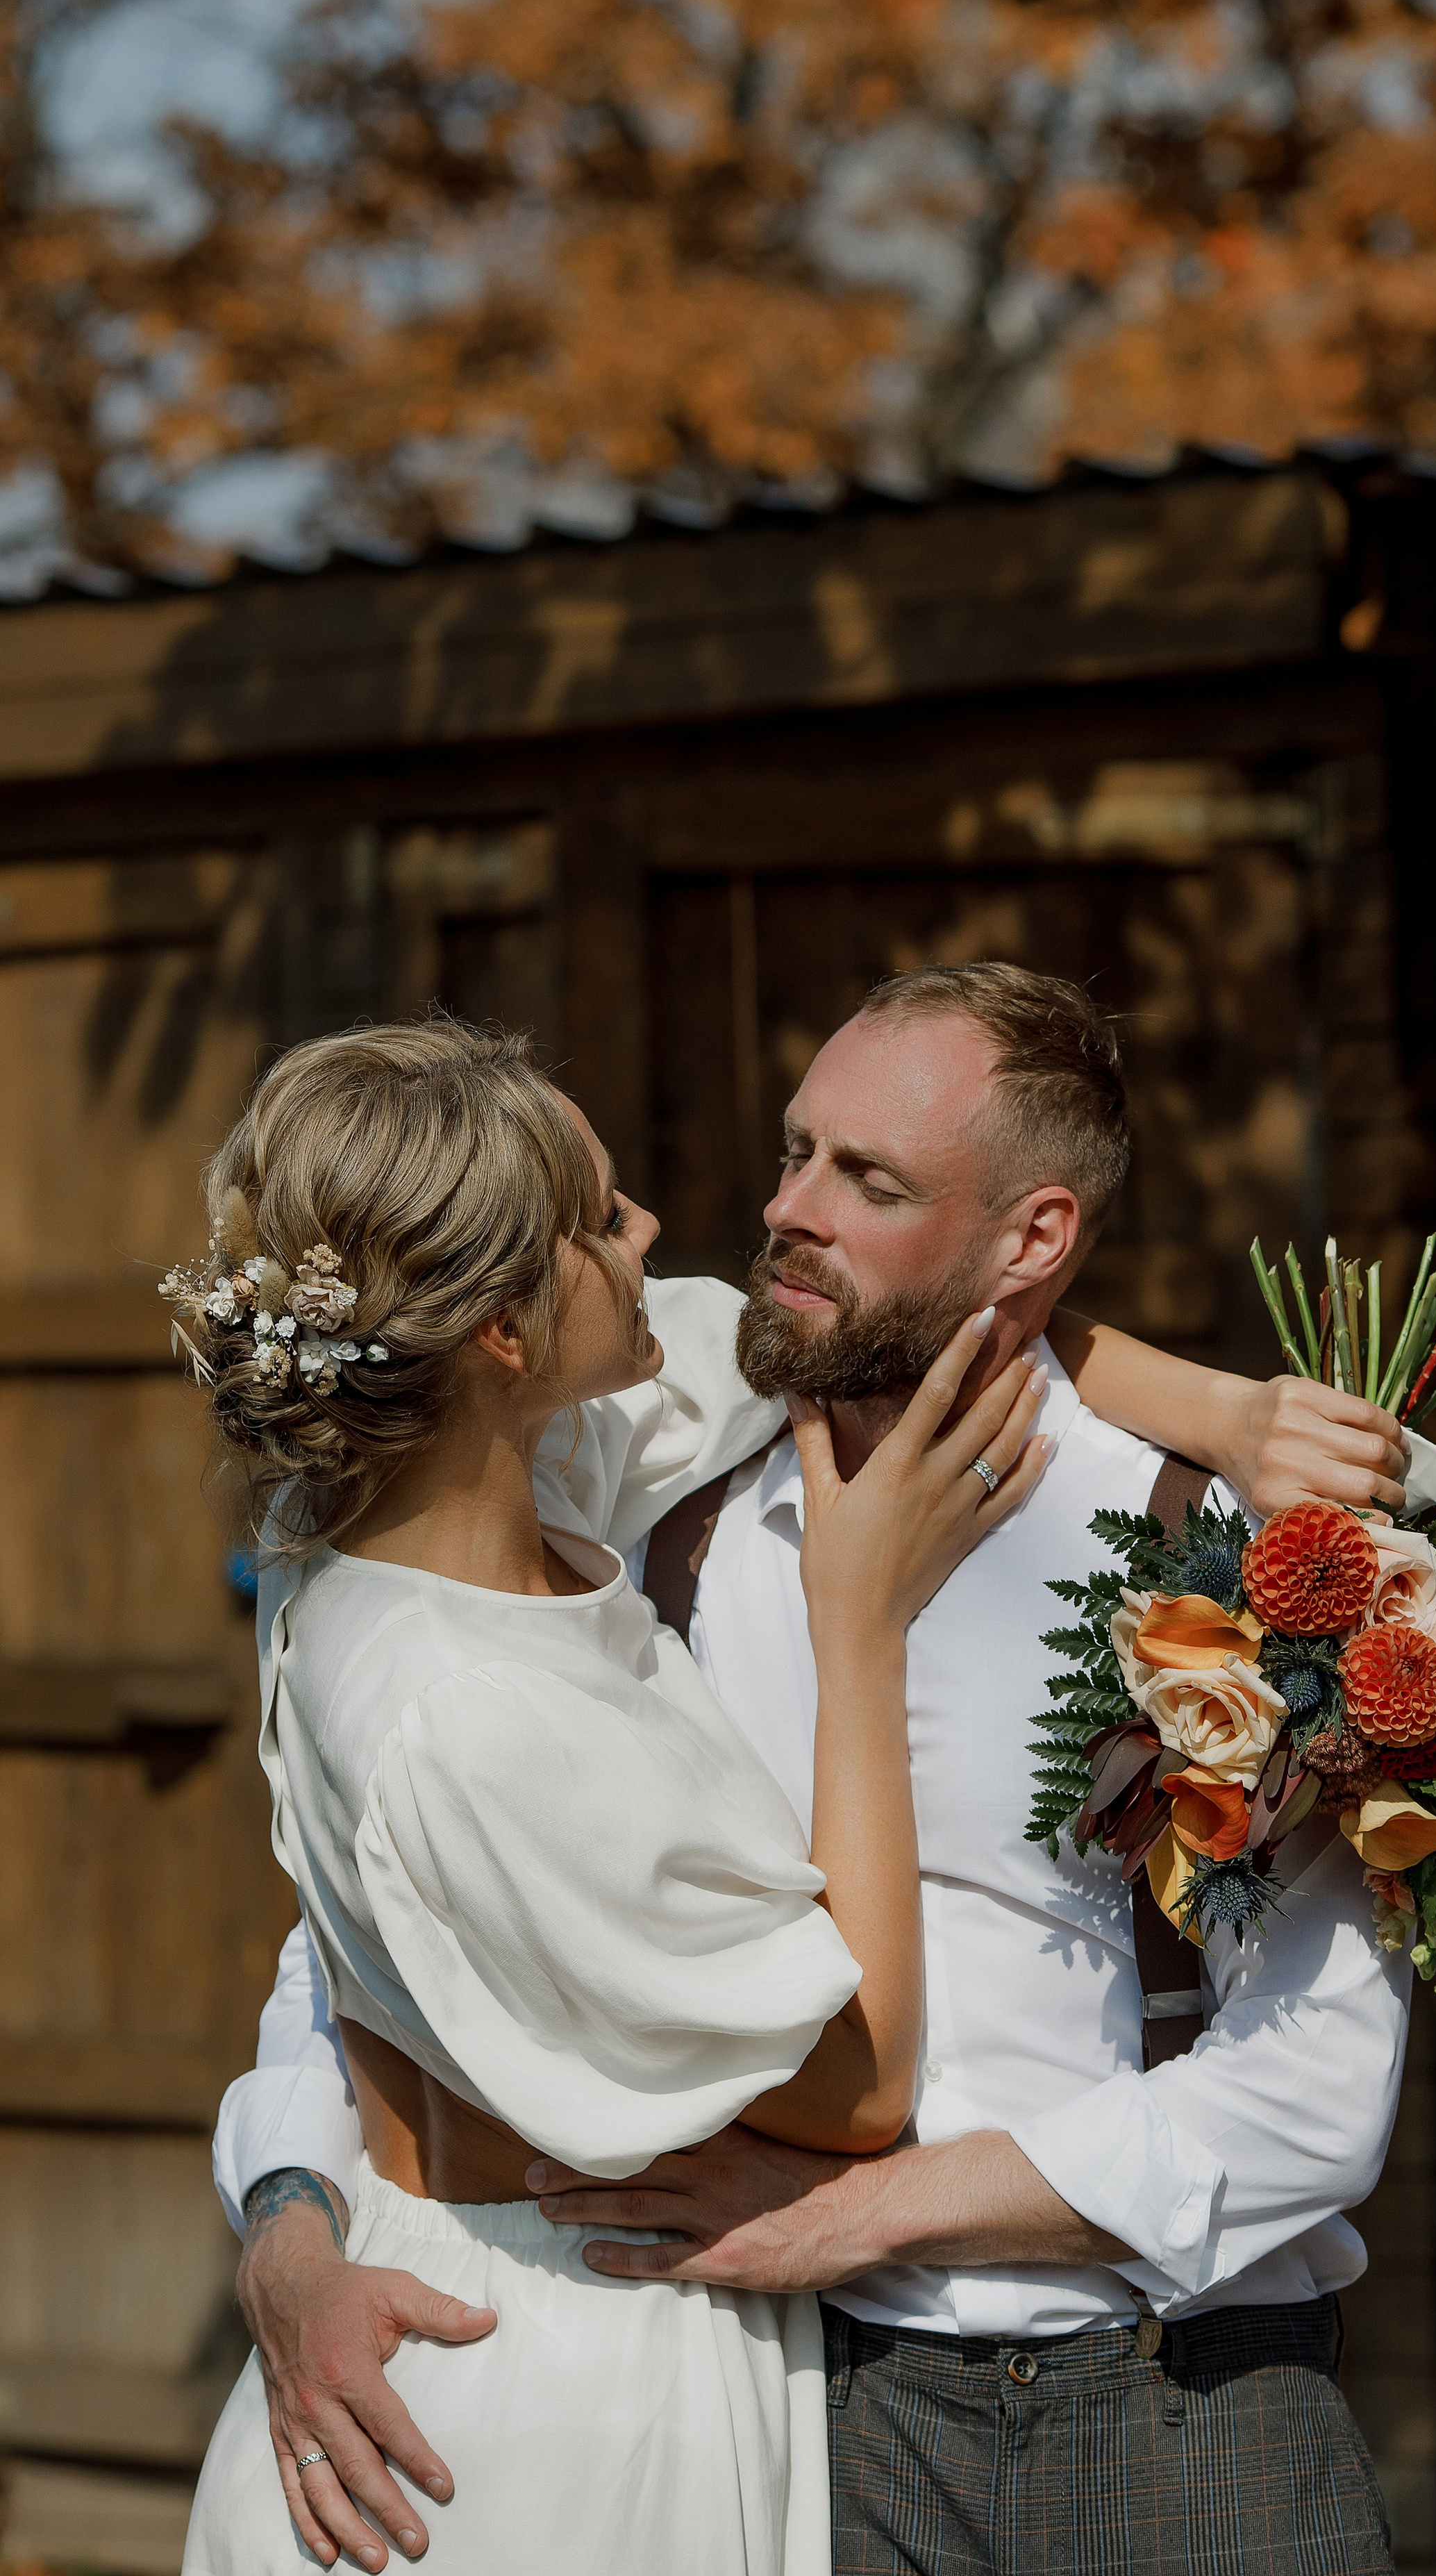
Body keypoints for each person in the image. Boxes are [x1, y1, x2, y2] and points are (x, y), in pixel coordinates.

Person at [213, 965, 1436, 2576]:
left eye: (866, 1180)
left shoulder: (1226, 1558)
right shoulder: (655, 1504)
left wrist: (866, 2210)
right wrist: (290, 2210)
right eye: (795, 1149)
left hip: (1176, 2411)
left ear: (1031, 1238)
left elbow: (1309, 2090)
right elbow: (389, 1924)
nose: (780, 1210)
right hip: (805, 2427)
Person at [177, 1013, 1056, 2576]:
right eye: (599, 1221)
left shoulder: (436, 1493)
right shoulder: (474, 1716)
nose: (653, 1231)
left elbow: (822, 1331)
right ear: (500, 1331)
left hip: (487, 2292)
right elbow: (852, 2086)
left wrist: (1217, 1416)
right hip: (532, 2393)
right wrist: (855, 1631)